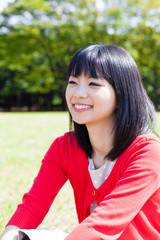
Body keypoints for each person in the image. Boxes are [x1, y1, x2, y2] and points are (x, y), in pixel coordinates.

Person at [0, 44, 160, 240]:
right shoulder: (65, 148)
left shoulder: (148, 152)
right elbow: (32, 207)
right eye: (73, 82)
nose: (78, 93)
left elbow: (103, 224)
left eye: (93, 84)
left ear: (121, 95)